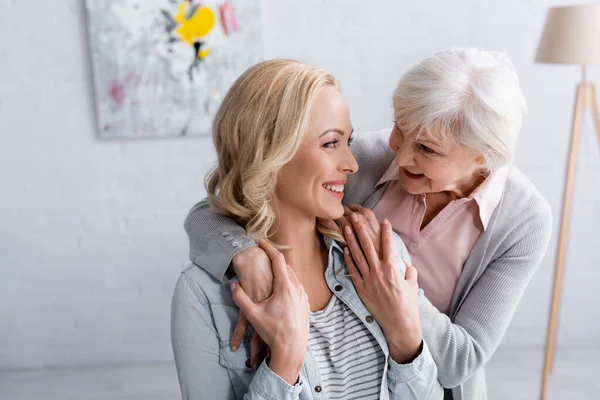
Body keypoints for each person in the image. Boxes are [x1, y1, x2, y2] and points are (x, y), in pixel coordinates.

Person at [182, 48, 553, 400]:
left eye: (427, 149)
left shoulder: (524, 220)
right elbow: (230, 198)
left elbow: (461, 361)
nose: (400, 153)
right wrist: (248, 258)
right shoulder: (364, 157)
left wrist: (394, 298)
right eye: (399, 126)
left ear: (482, 156)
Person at [171, 59, 443, 400]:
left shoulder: (380, 258)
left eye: (349, 141)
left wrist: (406, 337)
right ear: (269, 152)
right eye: (331, 144)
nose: (352, 163)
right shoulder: (202, 295)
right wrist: (283, 363)